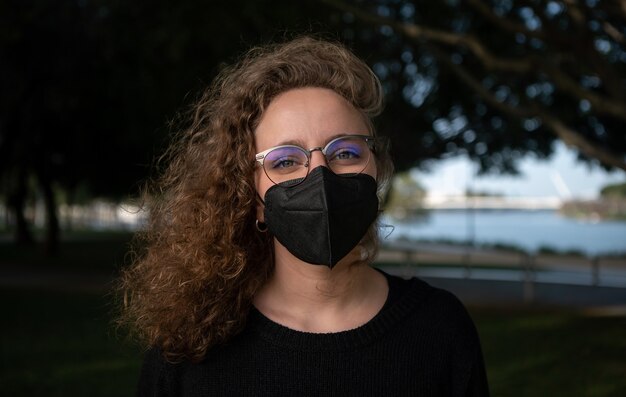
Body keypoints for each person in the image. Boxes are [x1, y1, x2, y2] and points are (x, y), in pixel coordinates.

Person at [119, 36, 490, 396]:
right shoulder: (191, 345)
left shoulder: (440, 328)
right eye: (285, 161)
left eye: (345, 152)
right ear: (254, 198)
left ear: (376, 172)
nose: (319, 174)